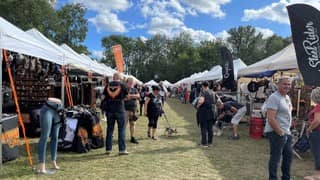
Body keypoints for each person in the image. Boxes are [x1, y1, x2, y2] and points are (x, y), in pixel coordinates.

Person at [264, 76, 293, 180]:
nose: (287, 86)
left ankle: (286, 178)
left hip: (287, 132)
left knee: (288, 157)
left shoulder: (287, 97)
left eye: (289, 84)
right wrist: (280, 132)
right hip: (276, 132)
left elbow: (286, 113)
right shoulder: (274, 97)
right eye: (284, 84)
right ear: (278, 85)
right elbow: (271, 118)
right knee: (276, 158)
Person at [103, 72, 129, 155]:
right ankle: (122, 150)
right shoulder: (122, 85)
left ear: (113, 77)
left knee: (109, 130)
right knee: (121, 129)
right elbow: (127, 96)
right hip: (119, 109)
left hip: (110, 110)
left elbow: (104, 96)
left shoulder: (107, 86)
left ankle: (108, 149)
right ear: (119, 78)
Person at [37, 98, 63, 174]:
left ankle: (53, 162)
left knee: (55, 137)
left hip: (59, 108)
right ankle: (42, 165)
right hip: (48, 108)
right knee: (44, 137)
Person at [305, 87, 320, 180]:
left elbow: (317, 121)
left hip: (317, 132)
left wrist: (309, 129)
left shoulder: (319, 106)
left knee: (317, 153)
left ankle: (318, 175)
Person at [196, 81, 215, 147]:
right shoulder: (212, 92)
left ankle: (204, 143)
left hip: (203, 112)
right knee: (210, 129)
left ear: (203, 86)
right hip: (211, 111)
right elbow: (218, 101)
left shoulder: (203, 92)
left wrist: (198, 105)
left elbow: (201, 101)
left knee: (203, 128)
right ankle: (210, 143)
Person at [124, 78, 140, 144]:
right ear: (126, 82)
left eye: (132, 83)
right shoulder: (124, 89)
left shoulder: (135, 89)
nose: (131, 84)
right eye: (130, 82)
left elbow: (138, 96)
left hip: (133, 109)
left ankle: (132, 137)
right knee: (124, 125)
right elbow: (124, 98)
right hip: (125, 109)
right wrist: (133, 97)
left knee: (133, 124)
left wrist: (130, 96)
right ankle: (122, 138)